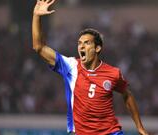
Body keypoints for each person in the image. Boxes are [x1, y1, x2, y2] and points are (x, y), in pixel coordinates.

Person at [32, 0, 149, 134]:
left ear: (97, 48)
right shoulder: (71, 66)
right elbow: (39, 47)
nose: (81, 46)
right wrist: (36, 16)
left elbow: (127, 95)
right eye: (79, 43)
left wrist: (140, 127)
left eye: (86, 43)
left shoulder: (113, 73)